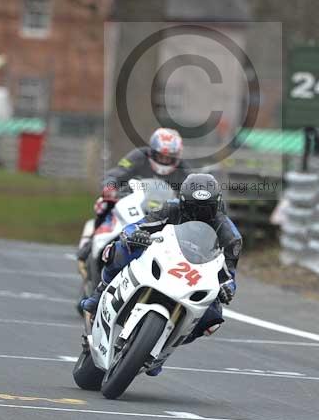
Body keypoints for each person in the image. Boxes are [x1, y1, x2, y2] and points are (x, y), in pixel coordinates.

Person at [82, 173, 242, 374]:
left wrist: (228, 288)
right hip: (163, 256)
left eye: (206, 208)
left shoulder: (230, 235)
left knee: (213, 317)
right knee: (119, 249)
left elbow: (228, 273)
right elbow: (137, 226)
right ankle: (100, 292)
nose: (199, 213)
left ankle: (163, 350)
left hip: (195, 274)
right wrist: (134, 235)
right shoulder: (170, 208)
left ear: (217, 205)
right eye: (193, 207)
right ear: (183, 202)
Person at [77, 128, 190, 266]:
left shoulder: (183, 170)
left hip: (163, 209)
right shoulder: (138, 156)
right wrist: (110, 187)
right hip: (130, 198)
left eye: (169, 157)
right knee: (104, 204)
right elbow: (117, 172)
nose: (164, 160)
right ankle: (89, 246)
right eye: (160, 156)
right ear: (152, 152)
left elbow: (189, 190)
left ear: (177, 157)